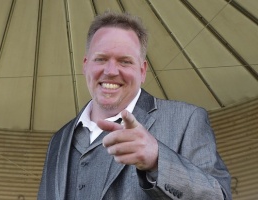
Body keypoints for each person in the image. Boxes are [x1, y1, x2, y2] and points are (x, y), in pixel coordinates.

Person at [38, 11, 232, 200]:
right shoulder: (59, 139)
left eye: (125, 61)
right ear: (86, 64)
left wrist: (158, 160)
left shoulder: (187, 120)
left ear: (142, 70)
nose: (111, 71)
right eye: (101, 59)